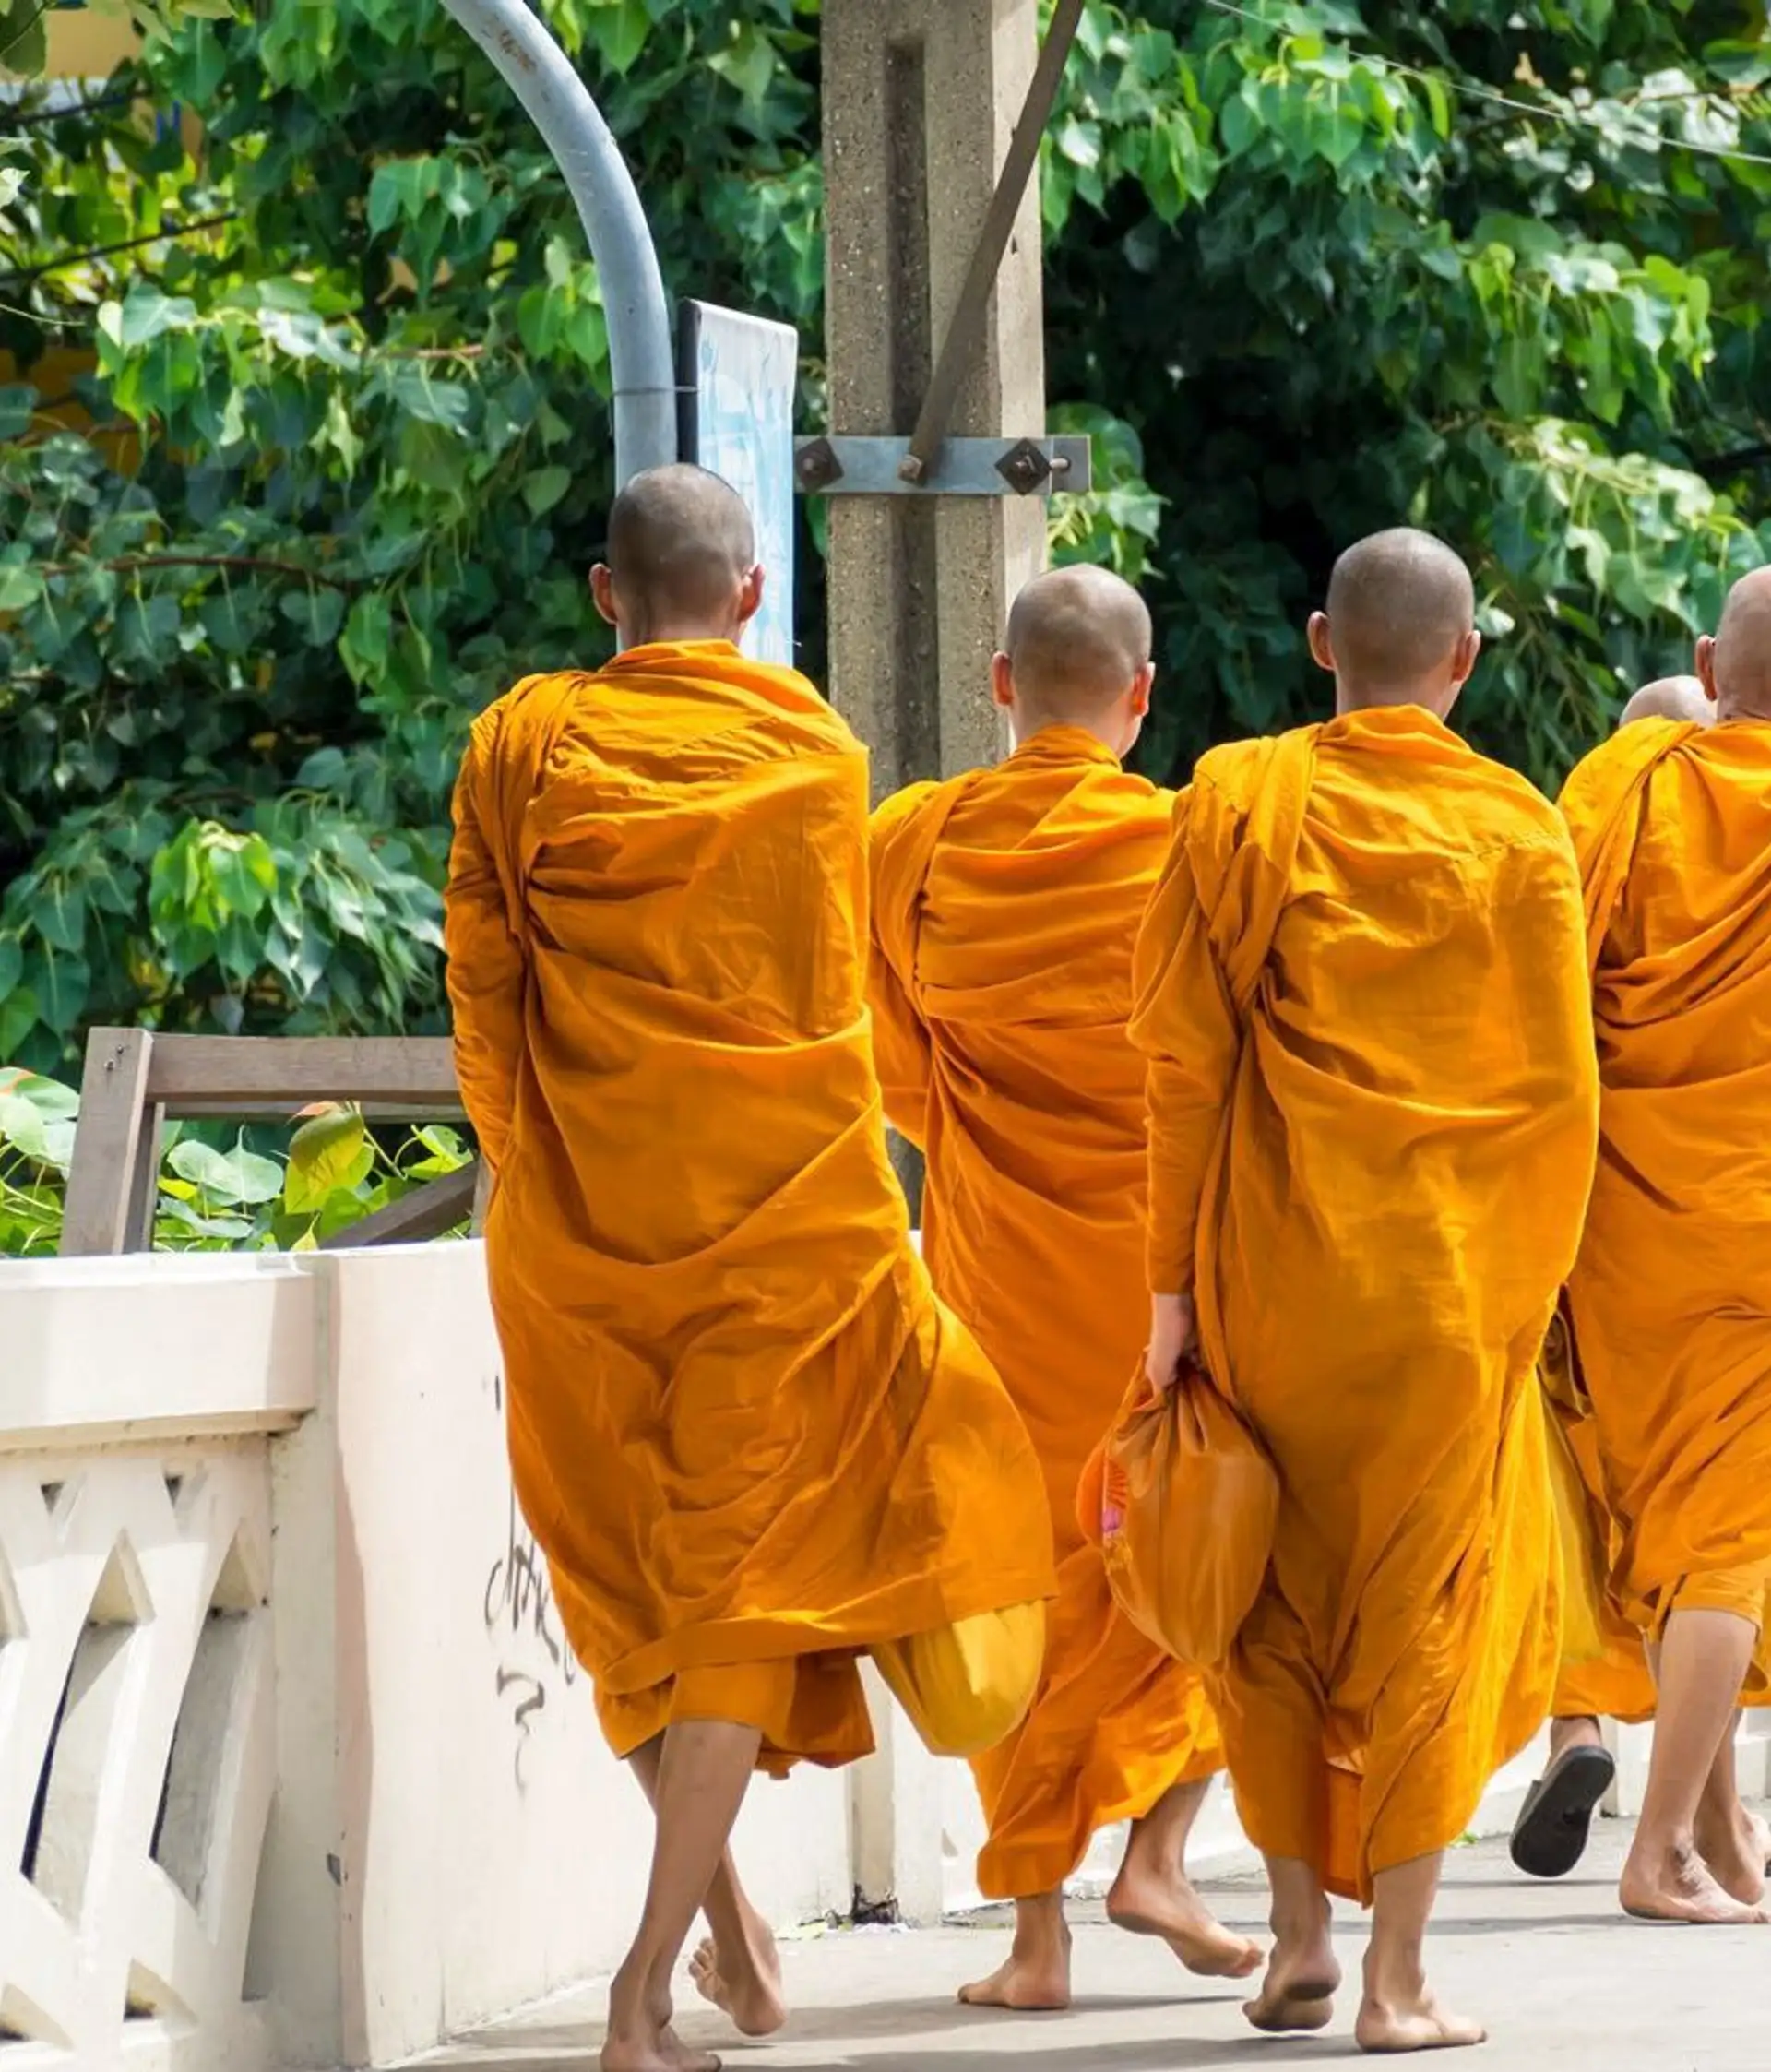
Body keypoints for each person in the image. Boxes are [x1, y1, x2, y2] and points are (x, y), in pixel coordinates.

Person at [445, 464, 1057, 2072]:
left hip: (581, 1244)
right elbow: (829, 1003)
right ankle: (690, 1955)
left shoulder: (524, 747)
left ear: (604, 594)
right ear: (753, 596)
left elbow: (487, 992)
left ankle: (681, 1962)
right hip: (790, 1232)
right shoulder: (812, 750)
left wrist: (543, 1180)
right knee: (723, 1590)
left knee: (644, 1593)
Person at [1133, 529, 1599, 2051]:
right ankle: (1398, 1982)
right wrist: (1528, 1298)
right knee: (1430, 1613)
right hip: (1455, 1299)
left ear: (1324, 644)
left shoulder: (1238, 799)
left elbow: (1183, 1066)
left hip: (1282, 1277)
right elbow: (1561, 1098)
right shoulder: (1523, 832)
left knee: (1266, 1607)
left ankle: (1294, 1940)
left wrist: (1169, 1292)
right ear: (1462, 660)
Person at [867, 565, 1259, 2013]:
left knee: (1018, 1576)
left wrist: (980, 1127)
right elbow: (1235, 1064)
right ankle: (1159, 1850)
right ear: (1143, 697)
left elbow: (888, 1053)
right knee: (1208, 1560)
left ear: (1000, 685)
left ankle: (1036, 1941)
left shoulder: (915, 842)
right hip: (1169, 1281)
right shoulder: (1187, 846)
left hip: (995, 1275)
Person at [1555, 567, 1771, 1927]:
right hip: (1755, 1219)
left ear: (1707, 658)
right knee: (1727, 1533)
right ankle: (1665, 1850)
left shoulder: (1626, 791)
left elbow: (1541, 985)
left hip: (1623, 1216)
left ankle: (1719, 1833)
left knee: (1663, 1518)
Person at [1510, 673, 1716, 1880]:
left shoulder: (1576, 838)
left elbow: (1528, 1029)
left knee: (1571, 1498)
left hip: (1577, 1224)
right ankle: (1704, 1814)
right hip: (1712, 1230)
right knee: (1713, 1516)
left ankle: (1578, 1720)